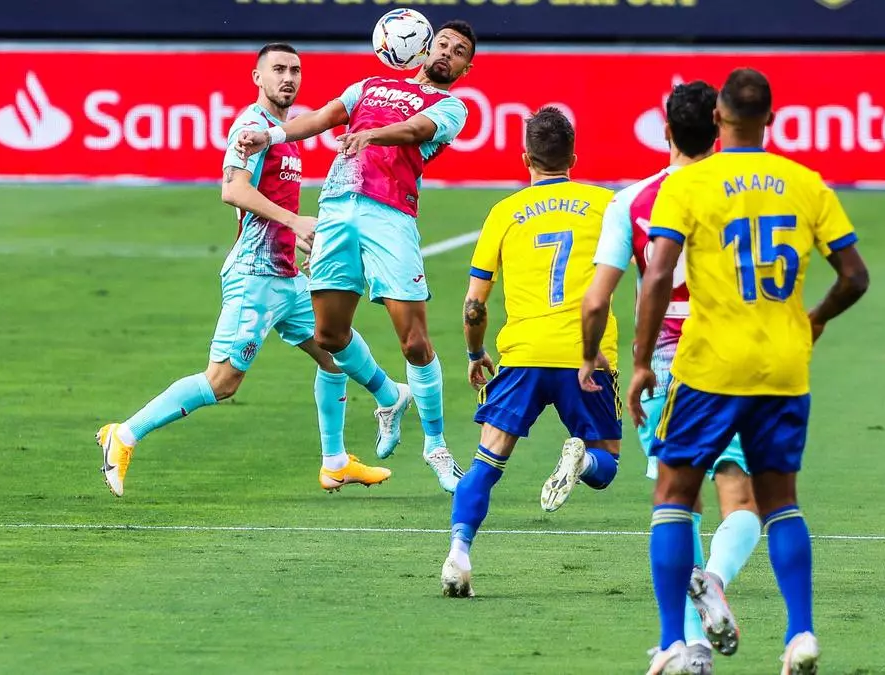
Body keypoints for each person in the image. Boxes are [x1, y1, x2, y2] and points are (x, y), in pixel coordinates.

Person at [631, 68, 870, 675]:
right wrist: (815, 319)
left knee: (673, 495)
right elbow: (854, 277)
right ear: (772, 118)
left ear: (717, 118)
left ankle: (673, 642)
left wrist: (639, 362)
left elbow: (657, 275)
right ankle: (800, 634)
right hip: (783, 365)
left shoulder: (690, 182)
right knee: (779, 501)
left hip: (709, 363)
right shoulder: (805, 183)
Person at [95, 43, 392, 497]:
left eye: (295, 70)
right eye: (278, 69)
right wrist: (295, 222)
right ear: (257, 77)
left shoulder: (282, 132)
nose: (288, 78)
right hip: (255, 275)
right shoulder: (251, 126)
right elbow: (233, 190)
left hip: (286, 275)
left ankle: (335, 463)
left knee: (333, 356)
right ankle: (124, 434)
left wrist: (297, 238)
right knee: (223, 382)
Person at [234, 21, 479, 492]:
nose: (448, 53)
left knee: (414, 341)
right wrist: (272, 136)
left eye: (459, 51)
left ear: (466, 67)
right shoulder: (370, 85)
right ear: (424, 48)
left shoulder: (452, 107)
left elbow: (415, 130)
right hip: (336, 207)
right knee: (328, 335)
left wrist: (373, 135)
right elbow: (324, 117)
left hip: (390, 216)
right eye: (443, 44)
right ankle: (390, 397)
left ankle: (436, 447)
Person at [581, 80, 760, 664]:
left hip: (661, 361)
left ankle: (686, 645)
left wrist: (592, 354)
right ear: (719, 127)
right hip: (732, 356)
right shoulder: (745, 194)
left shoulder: (631, 201)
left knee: (676, 503)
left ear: (665, 130)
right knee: (740, 494)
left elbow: (597, 299)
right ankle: (715, 580)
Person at [441, 107, 621, 598]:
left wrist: (475, 352)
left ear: (526, 158)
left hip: (523, 353)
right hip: (588, 355)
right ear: (574, 158)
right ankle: (581, 463)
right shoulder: (607, 205)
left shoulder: (505, 211)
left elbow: (475, 304)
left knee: (486, 461)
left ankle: (458, 554)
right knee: (605, 462)